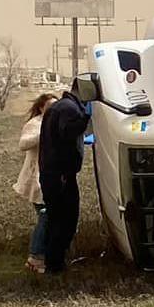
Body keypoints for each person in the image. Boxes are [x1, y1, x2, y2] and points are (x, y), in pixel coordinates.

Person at [38, 86, 90, 274]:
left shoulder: (61, 106)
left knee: (57, 218)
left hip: (53, 173)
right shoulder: (69, 109)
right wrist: (85, 119)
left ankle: (53, 263)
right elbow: (68, 132)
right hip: (61, 174)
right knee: (65, 219)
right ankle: (55, 266)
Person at [14, 92, 57, 273]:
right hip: (35, 179)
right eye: (49, 107)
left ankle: (48, 254)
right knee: (46, 215)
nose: (52, 110)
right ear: (41, 108)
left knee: (51, 217)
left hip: (51, 177)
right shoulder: (35, 124)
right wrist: (43, 134)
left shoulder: (56, 122)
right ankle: (35, 256)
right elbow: (23, 144)